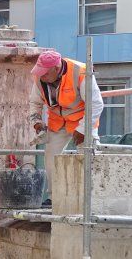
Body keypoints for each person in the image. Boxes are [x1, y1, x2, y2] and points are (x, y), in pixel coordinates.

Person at [28, 50, 104, 203]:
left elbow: (96, 104)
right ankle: (53, 198)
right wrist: (36, 122)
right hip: (58, 121)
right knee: (51, 157)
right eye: (40, 73)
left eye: (45, 74)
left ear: (56, 69)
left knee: (88, 155)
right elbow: (35, 103)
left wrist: (83, 130)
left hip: (83, 119)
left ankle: (91, 199)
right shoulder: (39, 77)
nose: (41, 76)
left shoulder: (81, 72)